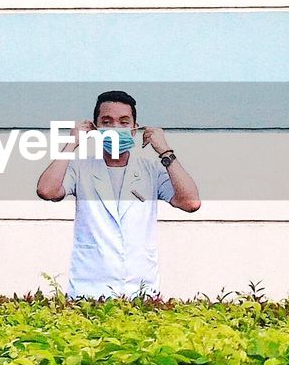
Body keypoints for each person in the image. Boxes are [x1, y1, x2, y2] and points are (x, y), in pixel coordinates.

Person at [36, 89, 201, 298]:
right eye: (107, 122)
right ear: (95, 128)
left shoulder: (150, 170)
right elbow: (47, 190)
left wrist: (165, 151)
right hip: (89, 289)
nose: (115, 128)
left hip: (141, 288)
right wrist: (72, 143)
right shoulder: (80, 169)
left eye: (124, 122)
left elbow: (191, 202)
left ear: (134, 128)